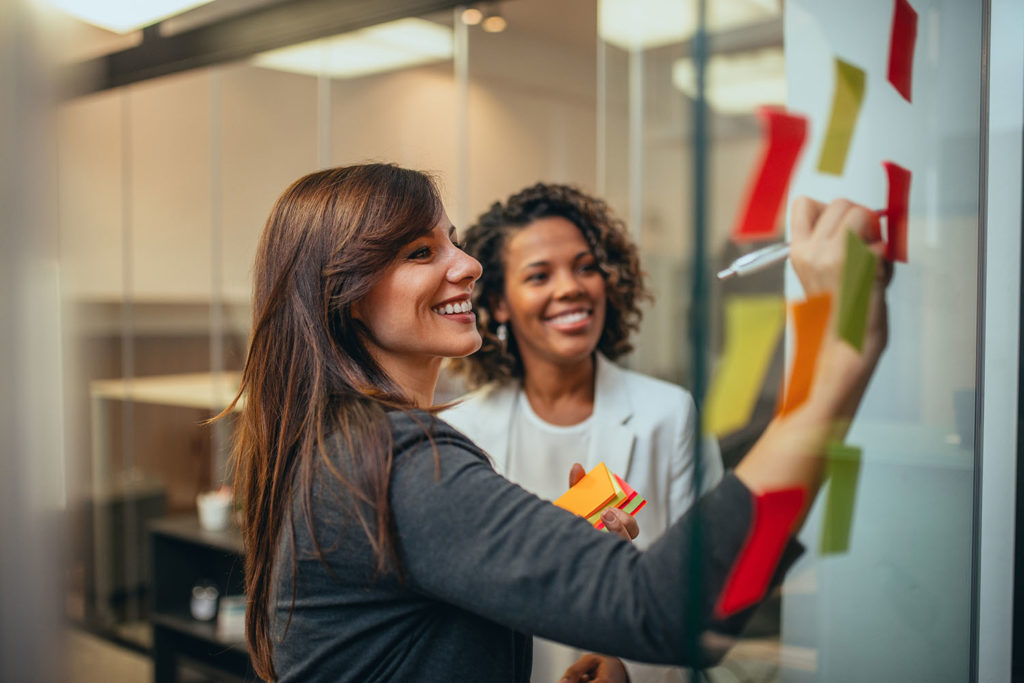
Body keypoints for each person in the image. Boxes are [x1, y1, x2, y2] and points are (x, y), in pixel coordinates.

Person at [226, 163, 891, 683]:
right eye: (420, 252)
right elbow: (668, 611)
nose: (468, 266)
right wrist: (834, 366)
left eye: (452, 241)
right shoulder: (400, 462)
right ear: (343, 295)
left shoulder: (344, 446)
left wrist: (552, 555)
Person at [442, 183, 724, 682]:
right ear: (499, 303)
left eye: (586, 266)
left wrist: (625, 668)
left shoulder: (669, 415)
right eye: (539, 275)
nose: (571, 287)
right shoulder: (460, 431)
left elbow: (708, 594)